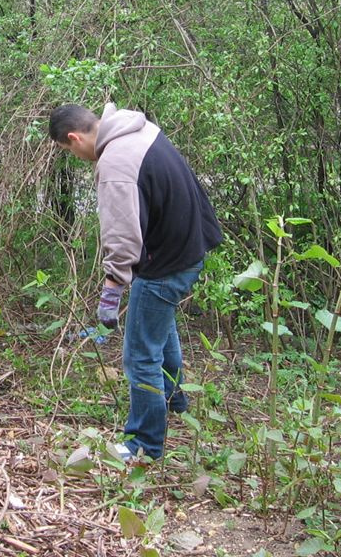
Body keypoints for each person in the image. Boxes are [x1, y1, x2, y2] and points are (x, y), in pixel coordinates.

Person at [48, 103, 223, 461]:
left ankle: (144, 444)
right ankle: (176, 402)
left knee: (140, 355)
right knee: (160, 331)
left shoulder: (114, 161)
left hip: (166, 263)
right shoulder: (138, 129)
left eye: (69, 150)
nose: (75, 156)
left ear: (74, 137)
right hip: (190, 249)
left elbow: (122, 234)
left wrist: (112, 287)